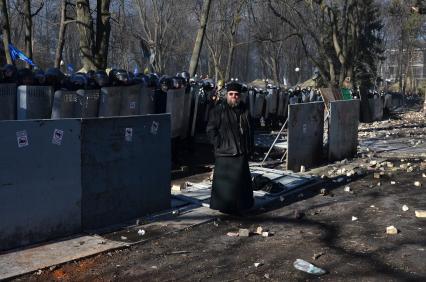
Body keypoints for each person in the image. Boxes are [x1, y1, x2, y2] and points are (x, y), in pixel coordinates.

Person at [206, 80, 254, 214]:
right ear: (227, 95)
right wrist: (220, 144)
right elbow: (211, 130)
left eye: (236, 94)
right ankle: (225, 208)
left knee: (241, 187)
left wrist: (250, 147)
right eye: (231, 94)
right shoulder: (218, 110)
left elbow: (250, 130)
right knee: (225, 187)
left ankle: (240, 208)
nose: (234, 97)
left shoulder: (245, 110)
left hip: (241, 152)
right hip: (225, 153)